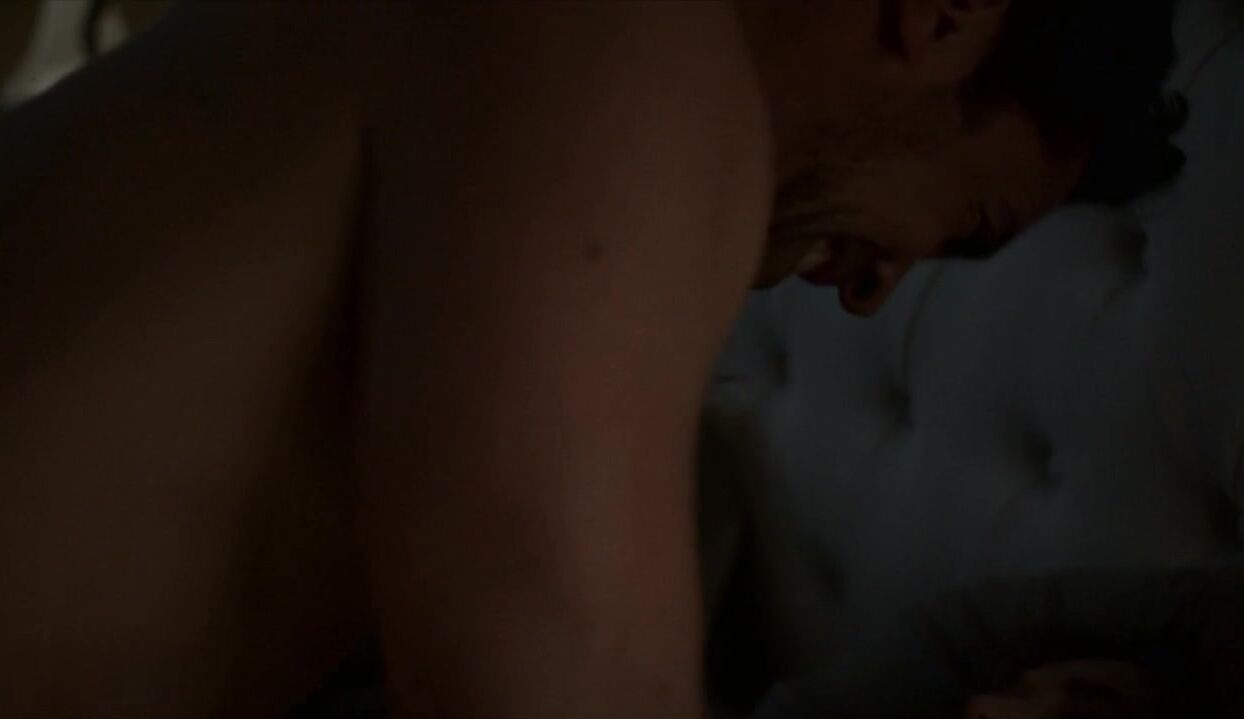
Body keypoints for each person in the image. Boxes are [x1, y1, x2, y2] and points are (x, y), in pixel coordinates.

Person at [0, 2, 1183, 717]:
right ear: (944, 16)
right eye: (964, 227)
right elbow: (549, 673)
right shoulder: (643, 45)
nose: (876, 290)